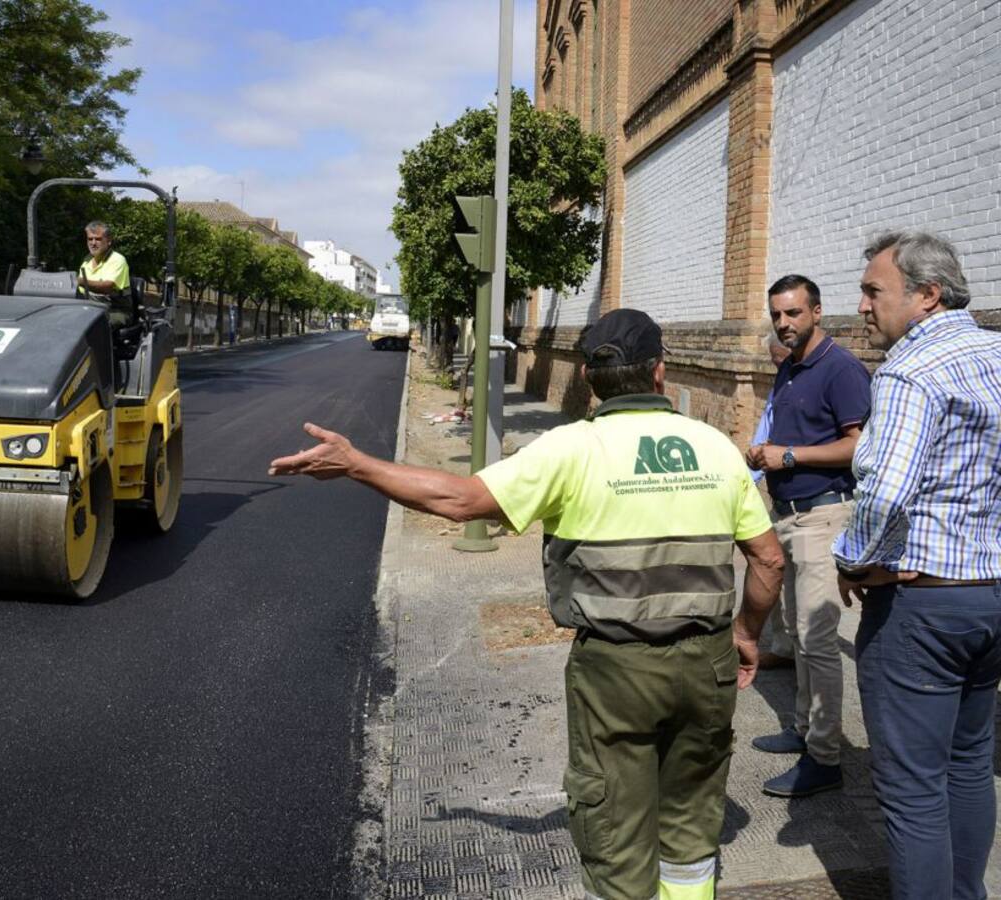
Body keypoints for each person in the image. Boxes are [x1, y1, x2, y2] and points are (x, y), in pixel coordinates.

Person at [269, 308, 785, 900]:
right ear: (661, 372)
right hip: (707, 664)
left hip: (615, 671)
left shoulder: (570, 449)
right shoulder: (714, 447)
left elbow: (460, 501)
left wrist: (357, 463)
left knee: (614, 821)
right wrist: (745, 636)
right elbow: (769, 560)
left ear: (591, 379)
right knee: (693, 821)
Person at [834, 232, 1001, 900]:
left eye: (875, 291)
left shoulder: (911, 370)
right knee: (968, 766)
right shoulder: (996, 355)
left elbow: (883, 488)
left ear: (926, 295)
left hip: (922, 608)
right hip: (990, 599)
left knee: (913, 791)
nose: (864, 306)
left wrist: (854, 561)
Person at [745, 274, 870, 798]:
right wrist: (765, 453)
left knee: (817, 639)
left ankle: (825, 758)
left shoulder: (842, 370)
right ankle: (804, 731)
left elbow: (858, 447)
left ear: (817, 312)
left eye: (793, 313)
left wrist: (789, 456)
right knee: (796, 630)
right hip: (788, 515)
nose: (784, 323)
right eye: (777, 314)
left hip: (823, 517)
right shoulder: (790, 368)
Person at [749, 336, 797, 671]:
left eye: (781, 359)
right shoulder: (781, 382)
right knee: (775, 566)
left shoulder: (825, 378)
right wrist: (746, 478)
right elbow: (764, 428)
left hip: (810, 499)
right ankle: (784, 647)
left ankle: (802, 649)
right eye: (773, 360)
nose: (776, 366)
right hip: (780, 497)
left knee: (801, 582)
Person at [78, 221, 132, 326]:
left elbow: (107, 287)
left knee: (95, 324)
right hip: (91, 308)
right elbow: (80, 291)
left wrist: (79, 281)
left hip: (116, 310)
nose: (93, 243)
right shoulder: (87, 260)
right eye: (90, 239)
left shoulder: (117, 260)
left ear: (109, 241)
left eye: (98, 239)